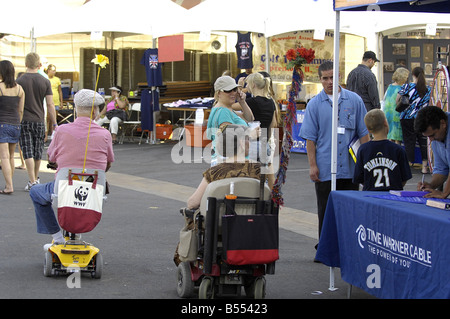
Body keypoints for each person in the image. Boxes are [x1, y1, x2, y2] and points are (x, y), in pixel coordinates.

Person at [29, 89, 114, 247]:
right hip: (93, 194)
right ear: (95, 112)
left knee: (36, 192)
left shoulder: (61, 131)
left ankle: (58, 237)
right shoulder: (105, 134)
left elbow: (52, 158)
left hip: (63, 189)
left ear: (76, 109)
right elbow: (108, 164)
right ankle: (75, 236)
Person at [299, 61, 370, 240]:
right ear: (320, 80)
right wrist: (312, 165)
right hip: (324, 166)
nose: (330, 81)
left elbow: (363, 133)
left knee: (350, 209)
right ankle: (324, 246)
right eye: (325, 78)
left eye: (332, 77)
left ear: (339, 76)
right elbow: (310, 139)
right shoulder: (314, 104)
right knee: (325, 209)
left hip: (350, 166)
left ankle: (349, 246)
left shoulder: (354, 100)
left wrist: (365, 163)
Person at [188, 124, 260, 209]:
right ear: (242, 143)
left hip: (221, 220)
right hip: (254, 220)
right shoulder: (259, 170)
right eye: (248, 139)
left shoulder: (215, 172)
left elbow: (193, 203)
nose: (250, 143)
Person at [16, 52, 57, 191]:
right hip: (39, 119)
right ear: (39, 65)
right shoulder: (45, 81)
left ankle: (32, 181)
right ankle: (35, 178)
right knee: (38, 150)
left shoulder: (20, 81)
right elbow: (51, 104)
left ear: (26, 64)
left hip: (24, 120)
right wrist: (54, 122)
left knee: (27, 150)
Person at [233, 72, 277, 188]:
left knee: (250, 177)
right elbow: (272, 123)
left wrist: (239, 87)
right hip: (264, 142)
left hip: (253, 143)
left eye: (247, 84)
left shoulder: (253, 102)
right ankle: (269, 200)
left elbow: (231, 106)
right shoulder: (271, 102)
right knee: (264, 176)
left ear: (253, 85)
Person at [353, 109, 412, 191]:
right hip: (392, 197)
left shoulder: (363, 149)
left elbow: (359, 178)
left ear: (368, 129)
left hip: (370, 197)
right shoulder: (398, 149)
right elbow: (404, 178)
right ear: (385, 123)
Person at [206, 76, 254, 166]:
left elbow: (249, 118)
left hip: (229, 160)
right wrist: (251, 134)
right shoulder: (223, 112)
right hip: (231, 162)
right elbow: (229, 141)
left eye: (235, 89)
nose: (233, 93)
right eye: (228, 90)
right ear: (219, 93)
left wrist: (242, 102)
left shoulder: (226, 109)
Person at [397, 66, 431, 173]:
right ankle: (425, 167)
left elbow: (398, 99)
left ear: (413, 75)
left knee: (409, 141)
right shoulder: (428, 89)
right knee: (423, 141)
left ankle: (408, 164)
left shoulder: (407, 86)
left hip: (407, 117)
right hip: (422, 118)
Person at [0, 60, 25, 194]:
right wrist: (17, 122)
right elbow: (20, 110)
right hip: (15, 124)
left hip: (2, 123)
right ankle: (10, 182)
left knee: (4, 157)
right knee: (10, 156)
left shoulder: (0, 88)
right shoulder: (20, 89)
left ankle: (9, 186)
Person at [415, 106, 450, 198]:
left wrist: (444, 193)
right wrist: (431, 186)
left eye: (433, 135)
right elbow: (441, 169)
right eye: (428, 137)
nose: (431, 140)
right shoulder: (436, 137)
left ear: (443, 123)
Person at [383, 67, 409, 145]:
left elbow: (384, 99)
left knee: (390, 135)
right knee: (398, 137)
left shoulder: (390, 86)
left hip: (388, 113)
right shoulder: (402, 88)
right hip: (397, 114)